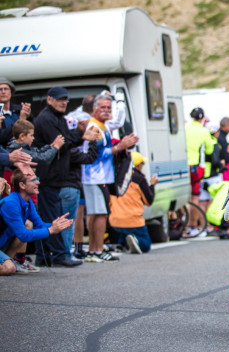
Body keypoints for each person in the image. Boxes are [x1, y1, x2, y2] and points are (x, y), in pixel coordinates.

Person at [32, 86, 99, 267]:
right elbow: (61, 142)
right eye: (60, 99)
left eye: (65, 99)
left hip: (55, 176)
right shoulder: (46, 119)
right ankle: (60, 254)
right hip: (48, 176)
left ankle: (43, 255)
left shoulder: (58, 118)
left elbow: (66, 139)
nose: (63, 102)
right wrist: (81, 135)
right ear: (49, 99)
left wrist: (78, 133)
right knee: (52, 217)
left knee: (47, 216)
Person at [81, 94, 138, 262]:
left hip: (101, 176)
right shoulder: (94, 127)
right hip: (95, 176)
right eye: (102, 108)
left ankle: (95, 249)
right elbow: (96, 154)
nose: (106, 111)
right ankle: (96, 250)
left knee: (97, 213)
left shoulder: (102, 125)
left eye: (108, 108)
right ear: (94, 109)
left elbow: (119, 122)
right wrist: (120, 147)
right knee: (99, 214)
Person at [0, 170, 74, 273]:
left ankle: (10, 260)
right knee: (8, 268)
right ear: (22, 185)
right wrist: (51, 230)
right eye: (34, 180)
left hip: (2, 243)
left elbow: (39, 225)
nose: (38, 182)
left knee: (28, 225)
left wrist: (55, 225)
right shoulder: (11, 203)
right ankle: (9, 263)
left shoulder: (27, 202)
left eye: (37, 179)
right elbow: (23, 235)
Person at [108, 151, 157, 254]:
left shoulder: (114, 176)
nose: (142, 166)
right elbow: (149, 201)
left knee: (123, 230)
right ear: (138, 165)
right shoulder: (138, 179)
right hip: (133, 221)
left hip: (114, 220)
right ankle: (135, 240)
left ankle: (122, 243)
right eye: (142, 163)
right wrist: (152, 185)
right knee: (145, 245)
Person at [185, 107, 215, 236]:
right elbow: (209, 150)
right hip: (196, 167)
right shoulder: (203, 131)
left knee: (185, 198)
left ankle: (184, 226)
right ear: (202, 118)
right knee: (195, 198)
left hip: (183, 166)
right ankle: (192, 226)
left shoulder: (185, 128)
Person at [0, 77, 30, 148]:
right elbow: (2, 137)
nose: (3, 92)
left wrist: (29, 116)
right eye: (0, 89)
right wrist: (20, 121)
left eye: (6, 89)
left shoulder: (19, 109)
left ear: (11, 92)